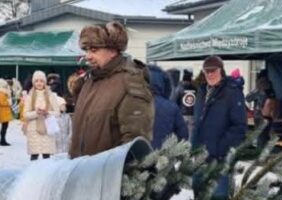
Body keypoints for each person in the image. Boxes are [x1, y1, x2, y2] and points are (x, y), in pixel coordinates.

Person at [70, 21, 154, 158]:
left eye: (94, 50)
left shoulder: (130, 82)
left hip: (108, 175)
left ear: (113, 50)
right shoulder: (89, 81)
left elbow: (135, 142)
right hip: (82, 173)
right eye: (86, 50)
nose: (88, 56)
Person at [192, 55, 247, 198]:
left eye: (213, 71)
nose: (210, 74)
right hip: (199, 157)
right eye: (206, 71)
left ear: (221, 70)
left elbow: (239, 126)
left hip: (220, 158)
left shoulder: (232, 91)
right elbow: (197, 122)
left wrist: (220, 148)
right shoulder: (202, 91)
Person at [22, 70, 65, 160]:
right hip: (34, 130)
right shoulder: (30, 96)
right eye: (36, 81)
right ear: (33, 82)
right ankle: (33, 173)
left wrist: (47, 113)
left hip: (47, 129)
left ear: (45, 82)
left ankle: (46, 173)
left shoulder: (50, 95)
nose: (39, 83)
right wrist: (36, 113)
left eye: (41, 81)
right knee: (34, 156)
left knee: (46, 156)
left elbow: (57, 112)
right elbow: (25, 114)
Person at [148, 65, 188, 149]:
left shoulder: (131, 104)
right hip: (163, 156)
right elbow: (183, 135)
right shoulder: (171, 107)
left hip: (136, 156)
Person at [0, 78, 14, 146]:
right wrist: (8, 102)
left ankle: (3, 139)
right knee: (4, 127)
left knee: (5, 126)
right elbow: (1, 102)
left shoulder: (2, 92)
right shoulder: (0, 92)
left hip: (4, 111)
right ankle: (2, 140)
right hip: (3, 111)